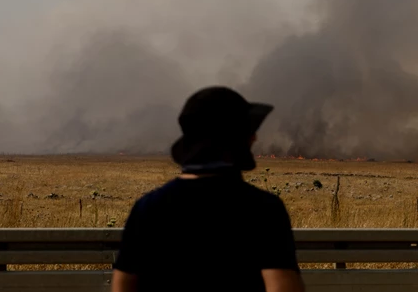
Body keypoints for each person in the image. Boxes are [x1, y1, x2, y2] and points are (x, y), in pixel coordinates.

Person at [111, 86, 305, 292]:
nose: (255, 138)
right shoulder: (263, 209)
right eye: (248, 130)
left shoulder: (147, 208)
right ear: (234, 138)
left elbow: (123, 285)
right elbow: (282, 286)